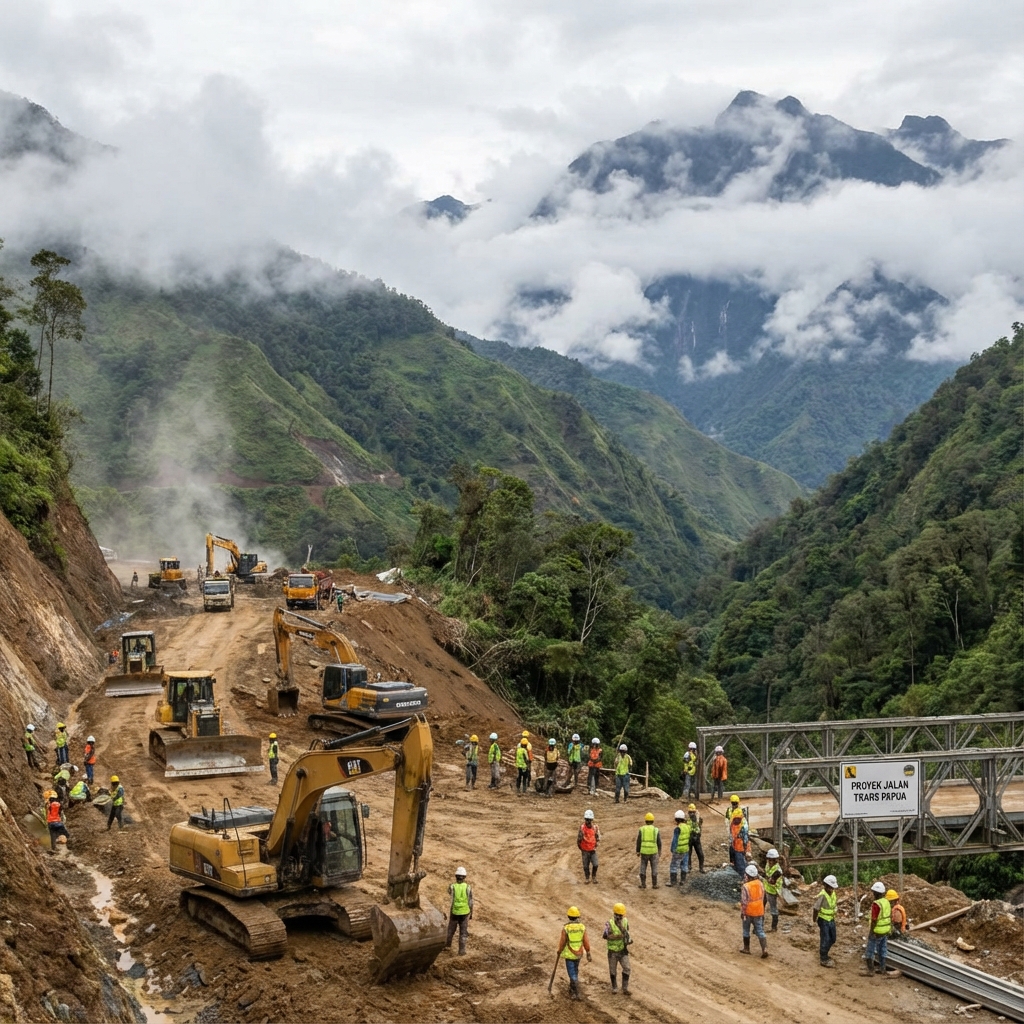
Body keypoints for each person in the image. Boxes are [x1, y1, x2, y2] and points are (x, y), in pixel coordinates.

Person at [557, 906, 591, 1002]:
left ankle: (577, 993)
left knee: (572, 973)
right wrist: (588, 951)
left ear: (568, 916)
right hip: (579, 953)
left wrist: (559, 950)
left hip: (569, 954)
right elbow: (586, 941)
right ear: (578, 916)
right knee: (575, 970)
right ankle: (572, 989)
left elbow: (562, 942)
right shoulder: (582, 927)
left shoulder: (566, 928)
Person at [864, 881, 894, 975]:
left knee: (870, 950)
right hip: (885, 930)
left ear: (876, 893)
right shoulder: (886, 902)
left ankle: (870, 970)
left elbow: (874, 919)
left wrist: (871, 931)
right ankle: (882, 968)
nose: (873, 894)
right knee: (882, 949)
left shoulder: (876, 904)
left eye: (873, 892)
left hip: (877, 931)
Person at [740, 862, 768, 958]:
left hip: (748, 912)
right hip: (759, 911)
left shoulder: (745, 886)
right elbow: (763, 898)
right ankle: (764, 949)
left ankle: (746, 948)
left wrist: (742, 913)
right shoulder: (760, 884)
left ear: (747, 875)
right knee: (760, 931)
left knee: (746, 930)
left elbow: (744, 902)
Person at [602, 903, 631, 995]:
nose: (620, 917)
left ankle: (624, 988)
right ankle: (615, 987)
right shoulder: (609, 923)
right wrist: (619, 936)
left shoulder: (625, 921)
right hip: (612, 951)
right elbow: (605, 936)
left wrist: (626, 938)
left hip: (622, 950)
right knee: (613, 970)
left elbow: (627, 932)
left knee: (627, 968)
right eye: (619, 915)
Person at [812, 874, 839, 968]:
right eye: (830, 888)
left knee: (833, 938)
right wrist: (814, 919)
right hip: (823, 920)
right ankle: (823, 957)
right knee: (826, 938)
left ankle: (825, 952)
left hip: (831, 919)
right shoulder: (822, 896)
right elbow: (816, 908)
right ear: (826, 886)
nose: (831, 890)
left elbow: (833, 904)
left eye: (833, 888)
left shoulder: (833, 894)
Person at [445, 866, 473, 955]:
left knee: (450, 930)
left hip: (454, 911)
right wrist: (471, 912)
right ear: (464, 877)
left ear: (456, 876)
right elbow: (471, 901)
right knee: (463, 932)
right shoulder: (468, 887)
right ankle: (461, 951)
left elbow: (449, 893)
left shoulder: (452, 886)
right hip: (465, 912)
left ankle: (447, 946)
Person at [636, 812, 661, 888]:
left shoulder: (642, 829)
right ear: (653, 821)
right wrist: (659, 851)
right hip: (653, 851)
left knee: (643, 867)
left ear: (645, 821)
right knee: (654, 867)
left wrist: (638, 850)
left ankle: (643, 884)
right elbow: (659, 841)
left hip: (644, 851)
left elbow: (639, 840)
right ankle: (655, 884)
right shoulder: (656, 830)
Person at [669, 810, 692, 887]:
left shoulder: (677, 829)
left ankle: (673, 882)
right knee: (684, 864)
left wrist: (672, 849)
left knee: (674, 865)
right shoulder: (688, 827)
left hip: (678, 850)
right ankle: (682, 880)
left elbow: (675, 840)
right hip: (686, 849)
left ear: (676, 819)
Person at [577, 809, 600, 884]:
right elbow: (579, 839)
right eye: (587, 820)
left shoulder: (595, 828)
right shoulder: (582, 828)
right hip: (585, 850)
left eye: (589, 820)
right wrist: (581, 848)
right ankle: (587, 877)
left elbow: (597, 837)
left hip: (592, 850)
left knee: (595, 864)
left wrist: (596, 845)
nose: (588, 821)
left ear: (592, 820)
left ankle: (594, 876)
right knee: (585, 866)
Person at [764, 848, 783, 931]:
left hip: (772, 891)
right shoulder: (767, 865)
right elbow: (766, 874)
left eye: (773, 860)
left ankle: (774, 927)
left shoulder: (778, 871)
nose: (770, 862)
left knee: (773, 909)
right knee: (761, 907)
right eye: (769, 860)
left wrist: (761, 876)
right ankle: (759, 926)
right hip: (765, 889)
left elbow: (771, 881)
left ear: (776, 860)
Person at [730, 804, 749, 878]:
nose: (736, 820)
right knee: (735, 862)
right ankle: (738, 873)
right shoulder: (733, 823)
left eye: (738, 819)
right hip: (734, 845)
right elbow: (731, 834)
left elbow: (745, 839)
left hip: (740, 848)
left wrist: (745, 850)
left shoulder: (744, 826)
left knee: (741, 863)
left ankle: (742, 877)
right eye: (735, 819)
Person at [687, 803, 705, 873]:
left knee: (700, 854)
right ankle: (689, 867)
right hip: (689, 838)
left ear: (695, 812)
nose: (691, 814)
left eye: (693, 812)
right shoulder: (686, 819)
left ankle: (701, 868)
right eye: (690, 812)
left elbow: (700, 827)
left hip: (696, 838)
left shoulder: (699, 818)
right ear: (688, 812)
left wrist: (699, 834)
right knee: (688, 854)